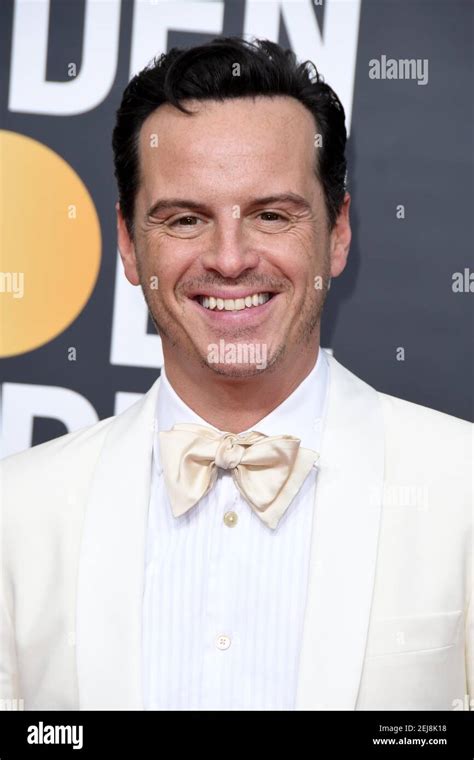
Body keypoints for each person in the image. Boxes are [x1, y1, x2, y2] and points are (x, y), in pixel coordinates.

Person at [1, 37, 471, 711]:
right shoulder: (15, 514)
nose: (228, 259)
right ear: (131, 245)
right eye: (186, 219)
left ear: (337, 234)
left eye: (272, 215)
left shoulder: (464, 490)